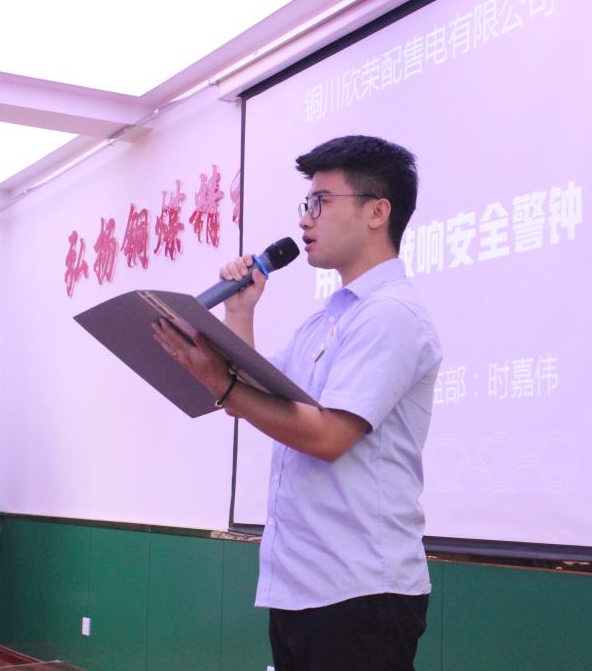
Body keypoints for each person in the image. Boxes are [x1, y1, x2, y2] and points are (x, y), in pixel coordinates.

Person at [152, 135, 442, 670]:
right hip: (302, 585)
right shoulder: (326, 319)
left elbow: (329, 436)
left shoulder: (391, 314)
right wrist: (240, 313)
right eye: (306, 203)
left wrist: (224, 386)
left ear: (377, 212)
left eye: (321, 202)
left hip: (360, 591)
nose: (306, 219)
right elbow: (254, 397)